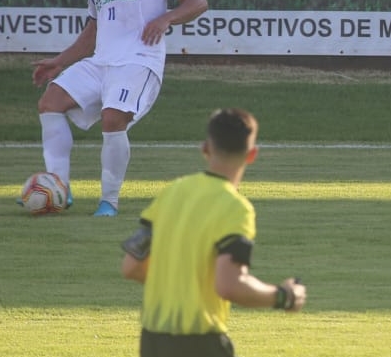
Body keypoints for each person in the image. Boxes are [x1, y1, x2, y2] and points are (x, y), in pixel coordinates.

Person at [30, 0, 208, 217]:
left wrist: (166, 18)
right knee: (50, 102)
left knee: (114, 119)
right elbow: (93, 31)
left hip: (138, 62)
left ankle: (109, 202)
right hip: (102, 62)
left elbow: (197, 1)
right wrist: (60, 61)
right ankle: (60, 187)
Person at [120, 108, 307, 357]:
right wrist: (284, 296)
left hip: (153, 342)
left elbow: (131, 266)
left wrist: (178, 282)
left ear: (206, 148)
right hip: (200, 344)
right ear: (252, 155)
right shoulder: (235, 209)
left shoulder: (171, 193)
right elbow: (229, 285)